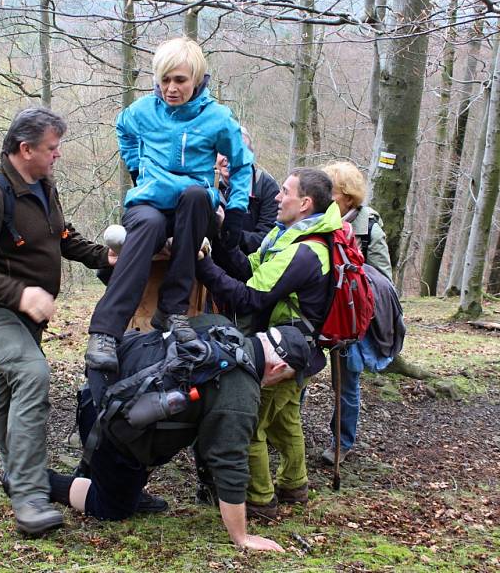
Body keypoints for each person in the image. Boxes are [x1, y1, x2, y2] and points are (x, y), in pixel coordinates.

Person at [0, 107, 115, 536]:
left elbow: (60, 236)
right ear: (26, 149)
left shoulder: (43, 185)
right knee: (31, 374)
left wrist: (105, 257)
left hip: (27, 316)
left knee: (10, 384)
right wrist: (20, 293)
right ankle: (29, 494)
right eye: (52, 148)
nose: (57, 155)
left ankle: (13, 472)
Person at [50, 323, 311, 552]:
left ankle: (116, 480)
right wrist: (241, 537)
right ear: (279, 367)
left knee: (139, 466)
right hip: (109, 429)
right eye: (286, 379)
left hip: (101, 390)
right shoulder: (241, 393)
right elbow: (230, 463)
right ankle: (38, 481)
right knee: (111, 507)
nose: (280, 383)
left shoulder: (219, 328)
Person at [85, 36, 253, 372]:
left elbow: (241, 161)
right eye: (164, 80)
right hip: (150, 201)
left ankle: (174, 311)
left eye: (179, 80)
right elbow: (123, 129)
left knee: (193, 196)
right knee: (146, 224)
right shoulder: (144, 111)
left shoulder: (217, 117)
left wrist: (235, 209)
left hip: (194, 209)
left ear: (197, 79)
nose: (171, 89)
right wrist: (137, 168)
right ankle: (105, 331)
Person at [196, 167, 340, 519]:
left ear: (305, 203)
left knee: (254, 422)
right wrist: (220, 242)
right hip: (301, 347)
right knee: (285, 419)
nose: (278, 196)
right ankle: (295, 484)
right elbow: (250, 269)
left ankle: (260, 500)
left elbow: (250, 297)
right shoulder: (291, 238)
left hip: (286, 349)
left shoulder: (305, 251)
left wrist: (201, 267)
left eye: (286, 192)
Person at [320, 161, 394, 465]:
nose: (325, 198)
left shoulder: (369, 228)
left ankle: (343, 442)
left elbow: (382, 280)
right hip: (316, 308)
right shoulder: (316, 218)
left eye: (331, 192)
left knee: (346, 381)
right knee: (298, 373)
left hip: (349, 316)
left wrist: (352, 273)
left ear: (348, 197)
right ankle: (287, 433)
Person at [214, 126, 280, 255]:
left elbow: (266, 239)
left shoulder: (265, 186)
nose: (229, 158)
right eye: (223, 151)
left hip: (247, 264)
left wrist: (226, 228)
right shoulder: (206, 181)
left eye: (237, 152)